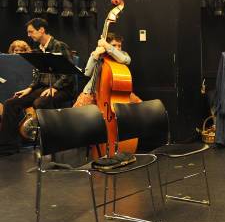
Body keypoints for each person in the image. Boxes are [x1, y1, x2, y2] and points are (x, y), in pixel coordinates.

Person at [0, 18, 75, 156]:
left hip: (63, 89)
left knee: (39, 102)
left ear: (41, 30)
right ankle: (7, 147)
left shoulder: (60, 46)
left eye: (31, 32)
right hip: (44, 88)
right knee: (11, 103)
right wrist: (30, 88)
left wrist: (56, 87)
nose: (29, 35)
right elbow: (39, 75)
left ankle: (52, 144)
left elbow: (69, 73)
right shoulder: (39, 49)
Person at [73, 33, 141, 107]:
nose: (117, 48)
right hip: (94, 91)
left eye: (119, 46)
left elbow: (126, 60)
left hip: (116, 92)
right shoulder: (99, 54)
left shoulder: (123, 54)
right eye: (114, 45)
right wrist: (95, 55)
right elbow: (87, 73)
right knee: (78, 111)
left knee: (139, 106)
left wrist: (108, 46)